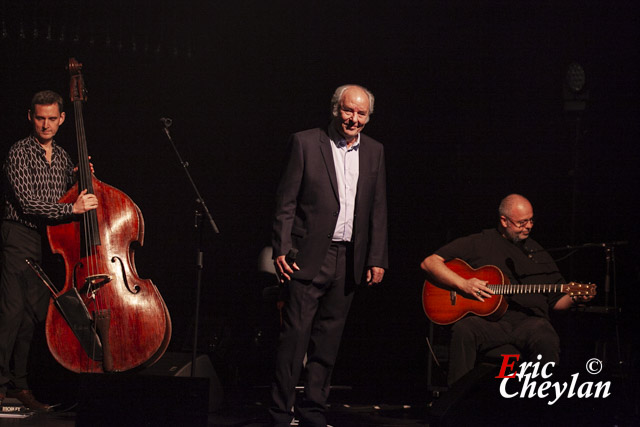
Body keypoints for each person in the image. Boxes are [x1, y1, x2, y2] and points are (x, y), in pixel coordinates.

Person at [270, 84, 388, 426]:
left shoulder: (375, 151)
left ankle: (313, 411)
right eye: (348, 111)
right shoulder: (305, 142)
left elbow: (378, 208)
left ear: (368, 117)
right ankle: (280, 413)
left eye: (361, 113)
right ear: (336, 109)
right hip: (307, 256)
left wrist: (377, 257)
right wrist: (280, 247)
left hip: (349, 258)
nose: (354, 119)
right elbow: (285, 202)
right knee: (294, 339)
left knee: (328, 342)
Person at [420, 193, 593, 386]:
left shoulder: (538, 253)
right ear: (504, 220)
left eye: (531, 220)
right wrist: (463, 284)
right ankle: (456, 402)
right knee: (464, 329)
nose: (528, 226)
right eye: (521, 222)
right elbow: (430, 263)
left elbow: (557, 302)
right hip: (490, 324)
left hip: (529, 324)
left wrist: (576, 298)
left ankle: (540, 401)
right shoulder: (480, 242)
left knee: (546, 335)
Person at [0, 90, 98, 410]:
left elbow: (73, 195)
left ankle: (19, 386)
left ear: (62, 119)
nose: (45, 124)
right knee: (11, 313)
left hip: (47, 242)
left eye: (52, 119)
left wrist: (83, 178)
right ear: (31, 117)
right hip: (18, 235)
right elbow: (28, 204)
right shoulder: (18, 153)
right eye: (40, 118)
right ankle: (1, 386)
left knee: (31, 319)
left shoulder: (65, 157)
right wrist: (73, 209)